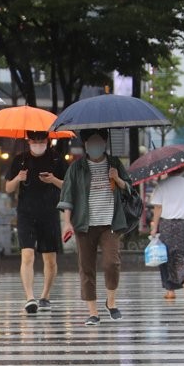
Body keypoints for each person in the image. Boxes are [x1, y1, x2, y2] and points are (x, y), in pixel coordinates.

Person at [58, 128, 131, 326]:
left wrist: (117, 179)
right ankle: (93, 312)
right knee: (86, 267)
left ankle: (111, 302)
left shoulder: (115, 163)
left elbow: (129, 188)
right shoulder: (77, 167)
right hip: (84, 224)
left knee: (111, 263)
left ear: (105, 142)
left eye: (99, 140)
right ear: (86, 144)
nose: (96, 144)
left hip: (111, 223)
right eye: (92, 141)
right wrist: (67, 223)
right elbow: (67, 197)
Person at [5, 130, 66, 314]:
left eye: (41, 140)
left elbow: (69, 185)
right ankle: (30, 297)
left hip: (49, 213)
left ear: (48, 140)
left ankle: (45, 295)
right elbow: (8, 187)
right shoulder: (20, 160)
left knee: (50, 260)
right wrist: (18, 178)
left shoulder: (56, 159)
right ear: (28, 140)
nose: (37, 144)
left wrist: (53, 180)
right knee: (27, 255)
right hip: (26, 214)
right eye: (34, 140)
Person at [149, 166, 184, 300]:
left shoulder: (162, 185)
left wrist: (154, 227)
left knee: (166, 256)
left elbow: (158, 207)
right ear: (182, 169)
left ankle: (170, 290)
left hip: (167, 225)